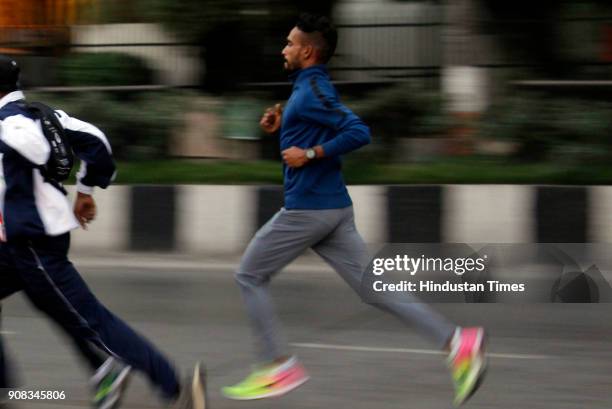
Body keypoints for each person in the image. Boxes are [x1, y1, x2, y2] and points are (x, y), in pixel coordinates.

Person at [222, 13, 487, 406]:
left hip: (309, 210)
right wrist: (283, 124)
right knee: (376, 290)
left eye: (290, 43)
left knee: (249, 275)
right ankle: (457, 342)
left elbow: (358, 131)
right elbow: (319, 120)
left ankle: (276, 365)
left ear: (308, 51)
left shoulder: (312, 89)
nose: (284, 48)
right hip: (332, 210)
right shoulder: (306, 88)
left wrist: (310, 152)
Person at [0, 55, 206, 409]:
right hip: (19, 243)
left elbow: (31, 145)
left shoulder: (14, 124)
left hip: (34, 244)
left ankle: (176, 388)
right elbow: (96, 140)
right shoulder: (44, 115)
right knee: (66, 311)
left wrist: (44, 157)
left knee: (92, 321)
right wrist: (85, 190)